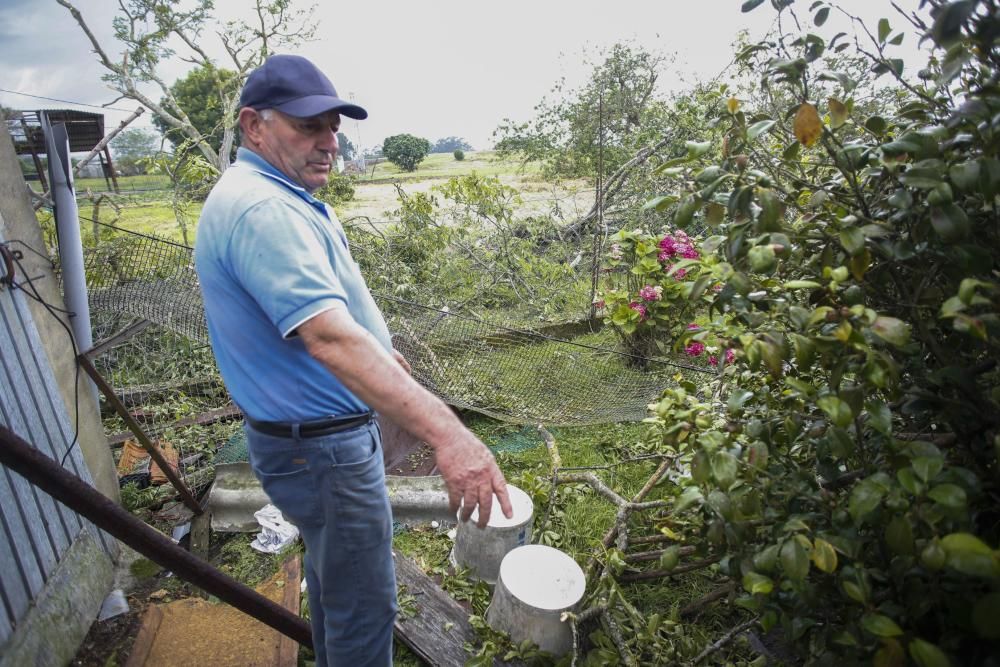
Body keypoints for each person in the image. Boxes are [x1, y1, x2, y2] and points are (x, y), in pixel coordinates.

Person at [194, 54, 512, 666]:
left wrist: (379, 356)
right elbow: (330, 340)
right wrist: (452, 436)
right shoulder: (266, 210)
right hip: (322, 453)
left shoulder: (279, 192)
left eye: (334, 127)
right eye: (308, 127)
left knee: (338, 577)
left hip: (310, 447)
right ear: (254, 126)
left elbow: (330, 325)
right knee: (365, 606)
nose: (328, 143)